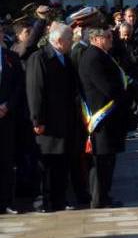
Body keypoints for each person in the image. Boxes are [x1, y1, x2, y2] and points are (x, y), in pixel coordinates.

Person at [26, 22, 79, 213]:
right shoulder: (39, 58)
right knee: (45, 162)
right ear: (59, 40)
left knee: (61, 160)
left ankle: (59, 199)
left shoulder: (65, 58)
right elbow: (35, 90)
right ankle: (42, 200)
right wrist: (37, 119)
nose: (72, 42)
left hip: (64, 120)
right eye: (70, 39)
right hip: (47, 121)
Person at [78, 28, 128, 209]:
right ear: (96, 39)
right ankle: (99, 198)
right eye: (108, 36)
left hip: (110, 117)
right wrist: (124, 95)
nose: (111, 39)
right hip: (102, 117)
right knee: (102, 160)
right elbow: (107, 87)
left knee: (107, 159)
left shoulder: (101, 54)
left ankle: (103, 195)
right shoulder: (93, 58)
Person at [0, 23, 24, 215]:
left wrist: (7, 105)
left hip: (6, 116)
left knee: (6, 160)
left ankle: (6, 201)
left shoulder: (11, 57)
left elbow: (19, 85)